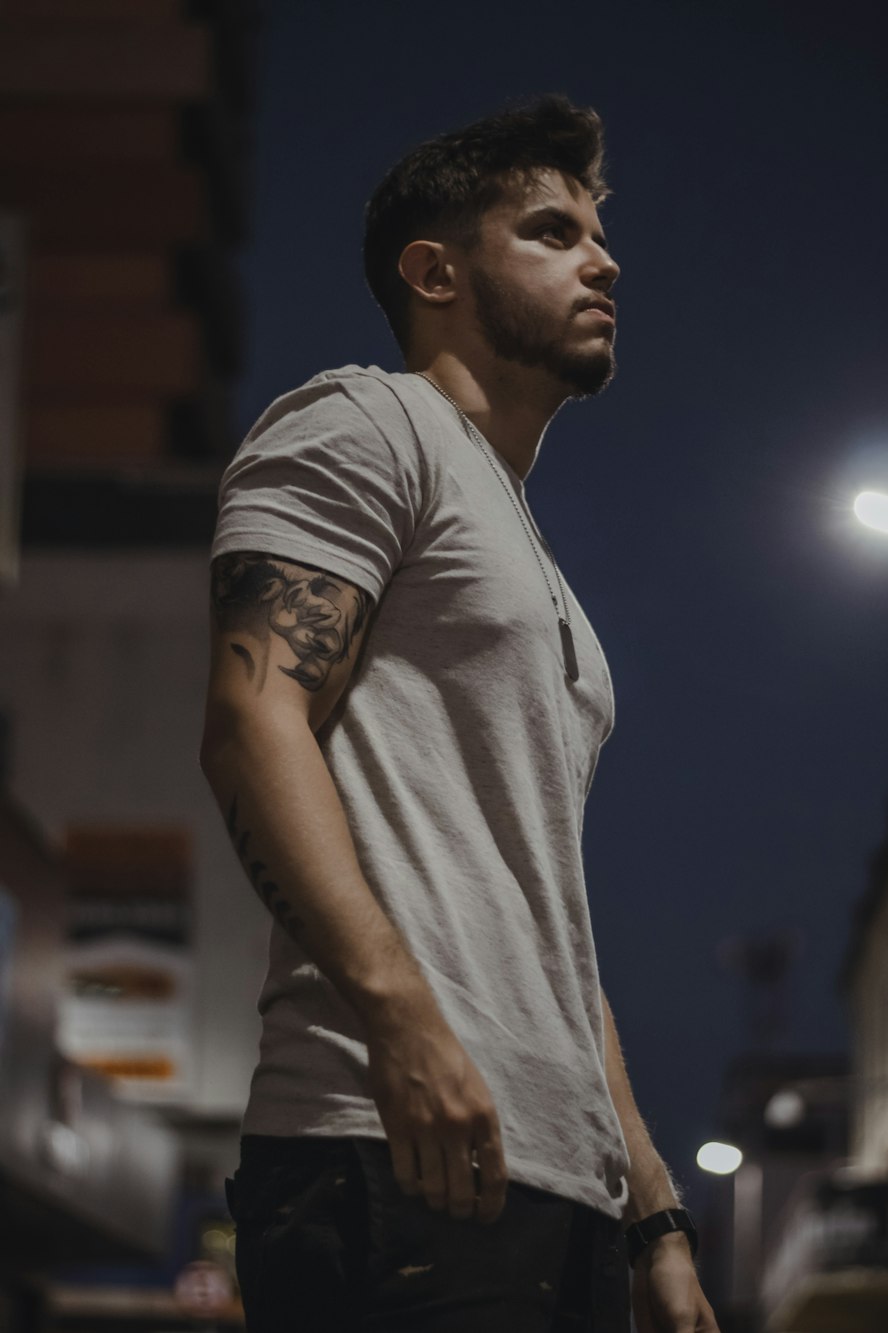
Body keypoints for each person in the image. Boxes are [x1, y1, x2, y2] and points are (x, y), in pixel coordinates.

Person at [201, 95, 718, 1333]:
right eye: (550, 232)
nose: (602, 260)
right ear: (434, 271)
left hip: (557, 1184)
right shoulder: (365, 424)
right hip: (389, 1149)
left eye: (598, 235)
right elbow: (250, 718)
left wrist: (652, 1211)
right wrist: (402, 1020)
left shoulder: (536, 568)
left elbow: (544, 910)